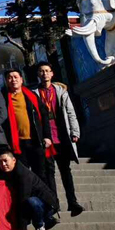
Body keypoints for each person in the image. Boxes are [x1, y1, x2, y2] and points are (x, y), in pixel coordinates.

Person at [35, 62, 84, 216]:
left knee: (65, 171)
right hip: (46, 138)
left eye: (47, 71)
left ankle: (72, 202)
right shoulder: (34, 94)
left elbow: (70, 112)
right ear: (38, 74)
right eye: (41, 71)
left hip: (61, 136)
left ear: (52, 73)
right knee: (49, 173)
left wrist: (75, 132)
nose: (44, 74)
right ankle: (53, 204)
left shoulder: (61, 91)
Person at [0, 149, 59, 230]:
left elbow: (22, 200)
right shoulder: (5, 173)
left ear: (14, 160)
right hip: (29, 204)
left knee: (31, 201)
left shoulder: (23, 175)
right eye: (0, 162)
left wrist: (22, 229)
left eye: (5, 161)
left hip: (47, 205)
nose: (3, 164)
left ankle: (40, 225)